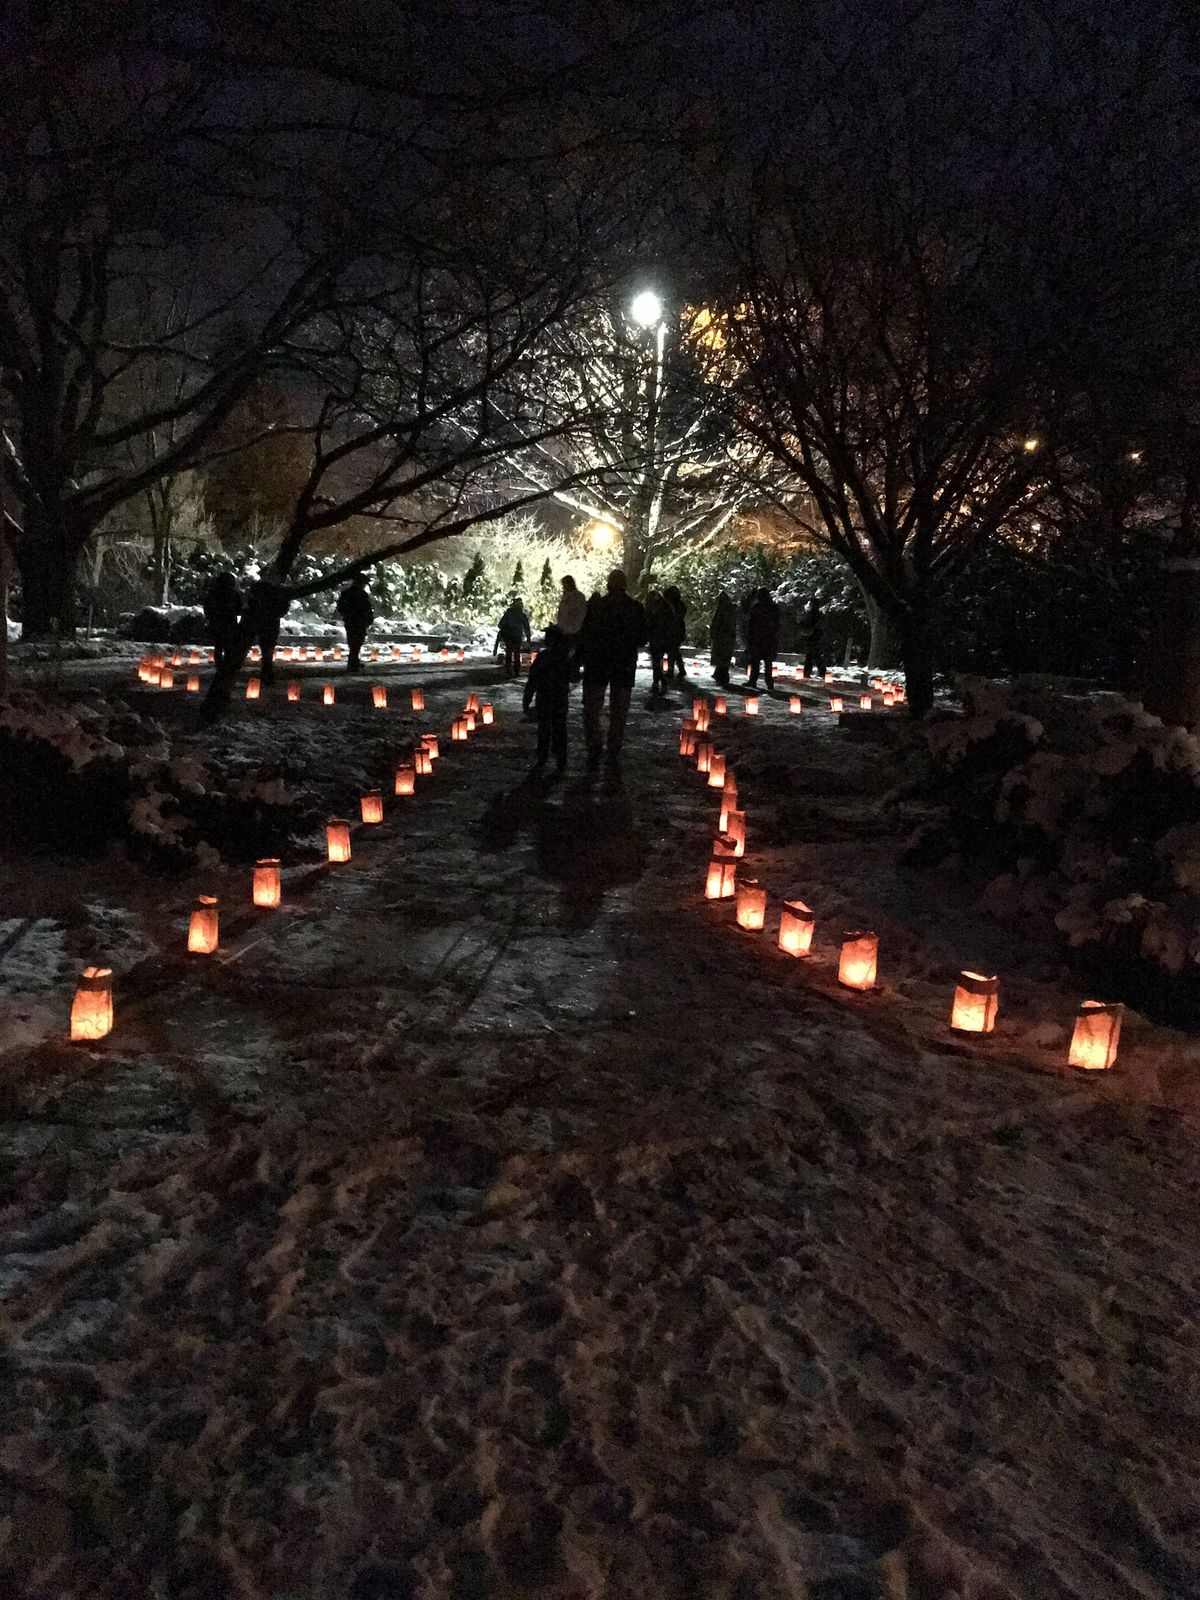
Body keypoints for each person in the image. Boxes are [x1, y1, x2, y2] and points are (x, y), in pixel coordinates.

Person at [578, 570, 647, 775]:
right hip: (623, 664)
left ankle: (594, 743)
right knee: (619, 709)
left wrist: (578, 660)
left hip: (598, 662)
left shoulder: (597, 606)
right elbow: (643, 637)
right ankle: (613, 747)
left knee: (592, 706)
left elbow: (586, 634)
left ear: (608, 585)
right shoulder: (635, 608)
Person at [522, 624, 572, 774]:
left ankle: (543, 757)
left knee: (545, 728)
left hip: (545, 698)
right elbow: (573, 676)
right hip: (560, 699)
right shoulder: (564, 658)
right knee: (559, 727)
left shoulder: (544, 658)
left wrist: (527, 700)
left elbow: (532, 680)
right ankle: (560, 758)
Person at [244, 577, 290, 685]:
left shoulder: (266, 590)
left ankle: (267, 673)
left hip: (263, 623)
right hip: (267, 624)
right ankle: (267, 673)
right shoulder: (272, 591)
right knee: (267, 650)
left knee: (266, 650)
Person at [202, 571, 242, 674]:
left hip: (216, 623)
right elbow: (239, 609)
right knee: (229, 646)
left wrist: (210, 617)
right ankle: (227, 666)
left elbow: (207, 607)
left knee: (219, 646)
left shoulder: (213, 592)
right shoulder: (233, 594)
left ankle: (220, 666)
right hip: (229, 623)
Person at [335, 572, 374, 672]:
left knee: (353, 642)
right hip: (358, 621)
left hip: (350, 621)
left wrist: (346, 615)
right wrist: (368, 619)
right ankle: (353, 664)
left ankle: (354, 662)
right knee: (356, 642)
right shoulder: (361, 595)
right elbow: (366, 609)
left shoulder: (346, 593)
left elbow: (340, 607)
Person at [746, 586, 780, 691]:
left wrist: (750, 636)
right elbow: (777, 623)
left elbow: (751, 623)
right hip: (768, 638)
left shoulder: (757, 607)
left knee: (756, 661)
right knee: (767, 662)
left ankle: (753, 681)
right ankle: (769, 683)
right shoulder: (773, 607)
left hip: (759, 638)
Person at [644, 588, 673, 696]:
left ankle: (660, 682)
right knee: (656, 662)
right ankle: (657, 683)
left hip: (659, 638)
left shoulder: (660, 609)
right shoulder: (667, 607)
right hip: (661, 638)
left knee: (656, 662)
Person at [494, 595, 532, 678]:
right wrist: (528, 638)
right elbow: (526, 627)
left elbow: (500, 625)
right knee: (517, 654)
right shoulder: (522, 615)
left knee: (509, 653)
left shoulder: (508, 614)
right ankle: (516, 671)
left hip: (509, 637)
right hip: (517, 637)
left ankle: (508, 670)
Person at [709, 590, 737, 687]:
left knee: (723, 656)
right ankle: (719, 673)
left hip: (724, 636)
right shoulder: (725, 608)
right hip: (722, 636)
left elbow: (723, 623)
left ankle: (723, 675)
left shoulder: (726, 609)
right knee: (722, 656)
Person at [663, 585, 687, 681]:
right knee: (674, 651)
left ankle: (671, 671)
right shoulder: (678, 605)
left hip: (675, 631)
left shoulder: (676, 606)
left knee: (672, 652)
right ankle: (680, 670)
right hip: (676, 631)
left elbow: (676, 618)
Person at [799, 595, 826, 679]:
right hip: (816, 636)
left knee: (811, 655)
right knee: (815, 655)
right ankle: (821, 672)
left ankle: (808, 672)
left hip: (811, 637)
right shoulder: (819, 614)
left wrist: (801, 623)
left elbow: (807, 624)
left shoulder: (810, 615)